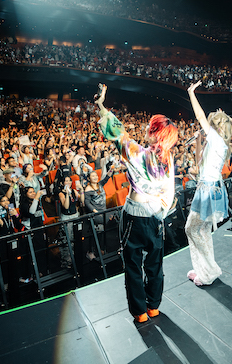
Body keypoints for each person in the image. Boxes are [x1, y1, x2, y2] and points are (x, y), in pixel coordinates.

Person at [96, 84, 178, 323]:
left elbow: (117, 132)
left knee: (133, 264)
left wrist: (101, 105)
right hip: (155, 216)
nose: (145, 130)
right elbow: (170, 190)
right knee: (155, 263)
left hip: (134, 215)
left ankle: (140, 312)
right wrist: (161, 213)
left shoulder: (137, 153)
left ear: (154, 133)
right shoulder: (168, 158)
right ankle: (153, 307)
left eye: (149, 127)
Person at [184, 81, 232, 286]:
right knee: (202, 230)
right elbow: (199, 164)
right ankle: (203, 270)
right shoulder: (217, 143)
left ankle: (209, 269)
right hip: (210, 188)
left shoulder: (216, 140)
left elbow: (200, 116)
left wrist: (191, 93)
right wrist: (197, 141)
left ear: (216, 126)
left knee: (191, 229)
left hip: (208, 190)